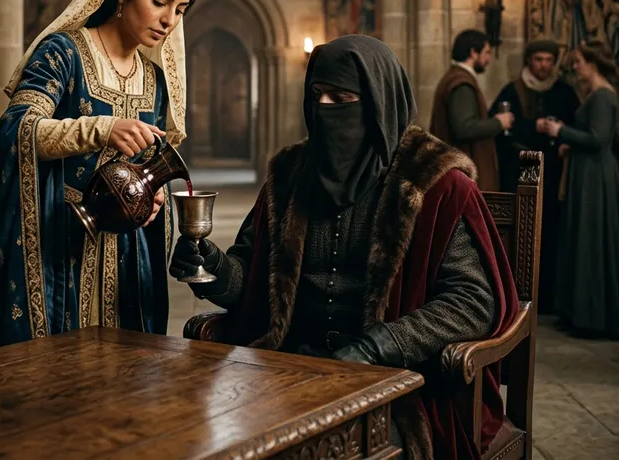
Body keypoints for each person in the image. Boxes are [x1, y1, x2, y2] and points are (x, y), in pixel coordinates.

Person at [172, 36, 519, 458]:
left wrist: (378, 347)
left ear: (377, 102)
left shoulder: (435, 182)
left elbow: (472, 300)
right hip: (289, 366)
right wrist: (212, 268)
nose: (324, 108)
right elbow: (254, 277)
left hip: (396, 382)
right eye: (317, 95)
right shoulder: (290, 176)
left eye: (340, 98)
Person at [0, 0, 200, 354]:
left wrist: (153, 196)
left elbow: (149, 159)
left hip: (126, 258)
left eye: (180, 10)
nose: (169, 20)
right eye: (159, 1)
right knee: (55, 371)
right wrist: (101, 128)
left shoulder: (155, 79)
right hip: (59, 242)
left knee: (126, 373)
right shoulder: (64, 53)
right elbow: (18, 127)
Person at [489, 39, 580, 313]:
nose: (544, 66)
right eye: (539, 59)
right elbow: (499, 130)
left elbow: (577, 127)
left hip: (554, 175)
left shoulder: (564, 92)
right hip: (520, 173)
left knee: (552, 233)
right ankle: (519, 297)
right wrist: (533, 126)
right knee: (522, 234)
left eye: (549, 60)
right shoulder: (513, 90)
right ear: (530, 60)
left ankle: (549, 298)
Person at [538, 40, 619, 339]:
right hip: (586, 171)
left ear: (593, 64)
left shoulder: (603, 96)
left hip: (595, 176)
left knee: (591, 240)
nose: (574, 67)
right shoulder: (596, 95)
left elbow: (599, 138)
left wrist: (561, 131)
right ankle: (579, 313)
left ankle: (594, 317)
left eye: (578, 62)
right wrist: (570, 144)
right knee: (581, 238)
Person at [430, 29, 513, 191]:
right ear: (474, 52)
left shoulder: (457, 78)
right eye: (487, 52)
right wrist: (499, 122)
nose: (489, 59)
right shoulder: (461, 83)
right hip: (462, 175)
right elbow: (464, 127)